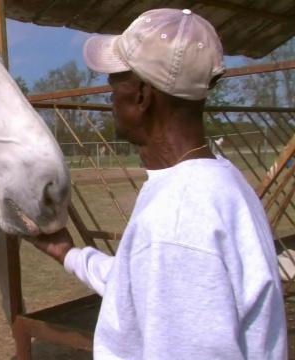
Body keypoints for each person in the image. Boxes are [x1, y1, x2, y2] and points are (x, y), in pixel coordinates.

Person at [27, 8, 288, 359]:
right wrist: (69, 254)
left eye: (114, 81)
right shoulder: (216, 180)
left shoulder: (178, 217)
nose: (109, 95)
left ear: (141, 95)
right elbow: (139, 287)